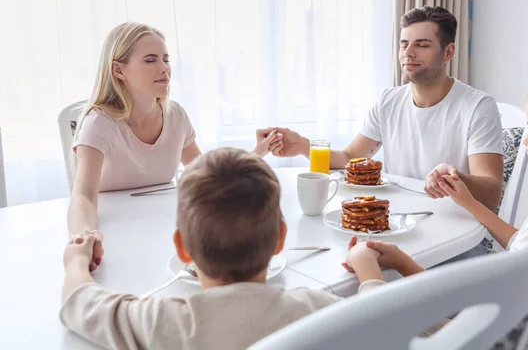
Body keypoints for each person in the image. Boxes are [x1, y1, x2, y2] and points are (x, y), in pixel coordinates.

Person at [344, 72, 528, 349]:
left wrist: (367, 266)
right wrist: (467, 202)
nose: (525, 141)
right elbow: (527, 246)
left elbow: (467, 311)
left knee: (362, 316)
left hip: (482, 341)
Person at [60, 148, 385, 349]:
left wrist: (76, 261)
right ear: (279, 240)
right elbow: (382, 319)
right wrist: (366, 265)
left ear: (183, 248)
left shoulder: (162, 321)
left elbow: (79, 303)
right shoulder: (313, 309)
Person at [67, 22, 282, 271]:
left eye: (166, 59)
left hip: (164, 232)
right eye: (150, 60)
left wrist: (257, 153)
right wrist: (84, 237)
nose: (164, 69)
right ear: (118, 70)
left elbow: (206, 174)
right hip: (114, 235)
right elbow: (83, 195)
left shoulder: (176, 115)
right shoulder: (99, 123)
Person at [267, 5, 504, 210]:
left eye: (422, 45)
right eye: (404, 45)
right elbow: (350, 157)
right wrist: (302, 146)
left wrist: (452, 179)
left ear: (448, 52)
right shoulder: (389, 101)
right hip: (398, 221)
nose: (408, 53)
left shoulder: (478, 107)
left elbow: (492, 193)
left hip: (458, 231)